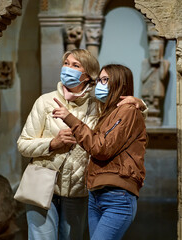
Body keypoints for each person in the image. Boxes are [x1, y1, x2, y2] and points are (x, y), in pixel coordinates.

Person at [17, 49, 146, 240]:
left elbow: (127, 121)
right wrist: (52, 143)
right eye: (66, 63)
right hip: (42, 186)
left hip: (78, 191)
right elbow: (23, 145)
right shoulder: (45, 102)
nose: (68, 69)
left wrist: (140, 103)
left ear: (88, 76)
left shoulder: (99, 105)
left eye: (76, 65)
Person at [52, 64, 147, 240]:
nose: (100, 85)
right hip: (97, 194)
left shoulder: (127, 110)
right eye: (99, 80)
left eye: (105, 80)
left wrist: (70, 119)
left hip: (117, 196)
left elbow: (100, 148)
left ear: (119, 84)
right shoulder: (108, 111)